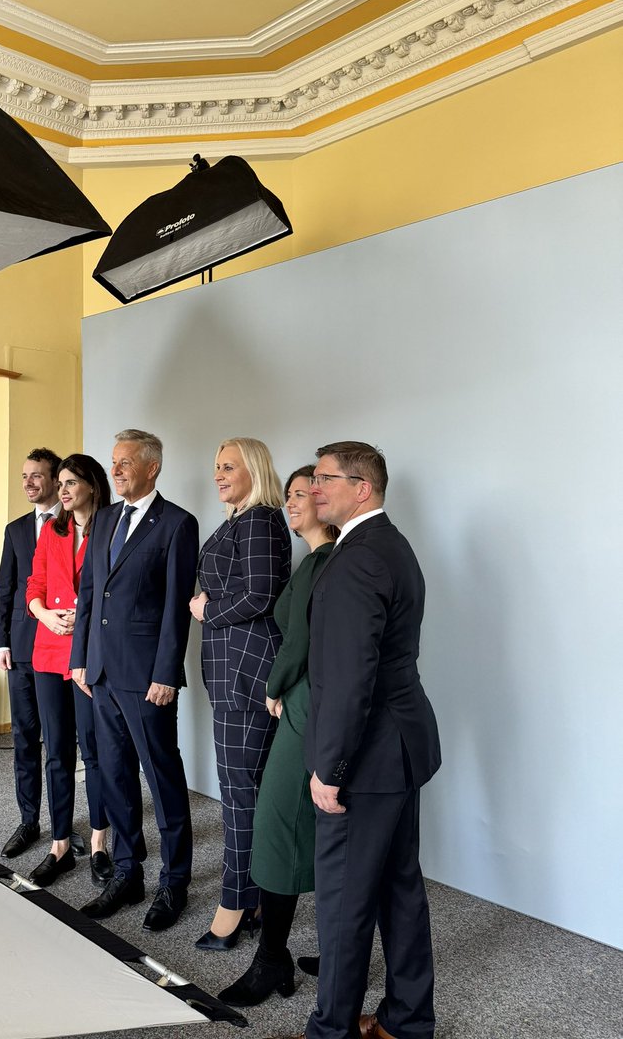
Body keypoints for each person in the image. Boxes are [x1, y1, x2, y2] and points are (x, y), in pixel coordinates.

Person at [303, 442, 441, 1039]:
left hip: (367, 756)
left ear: (363, 488)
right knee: (397, 886)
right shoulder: (389, 545)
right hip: (399, 746)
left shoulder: (359, 556)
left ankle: (330, 1031)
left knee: (343, 901)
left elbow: (351, 676)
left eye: (325, 479)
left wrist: (330, 767)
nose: (312, 489)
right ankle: (407, 1022)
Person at [218, 465, 337, 1006]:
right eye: (286, 495)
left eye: (300, 495)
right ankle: (323, 952)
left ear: (323, 498)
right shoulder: (313, 561)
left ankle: (272, 961)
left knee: (274, 825)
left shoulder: (324, 561)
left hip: (305, 704)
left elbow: (301, 641)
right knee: (311, 829)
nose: (292, 504)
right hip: (302, 701)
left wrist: (274, 683)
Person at [71, 429, 199, 932]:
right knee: (116, 775)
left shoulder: (177, 524)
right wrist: (80, 658)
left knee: (162, 777)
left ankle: (175, 881)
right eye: (114, 462)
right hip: (100, 671)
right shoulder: (103, 519)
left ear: (153, 468)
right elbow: (89, 593)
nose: (117, 469)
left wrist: (167, 672)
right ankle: (127, 871)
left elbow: (176, 608)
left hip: (147, 677)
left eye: (126, 462)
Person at [189, 438, 291, 950]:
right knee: (242, 791)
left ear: (255, 469)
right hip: (235, 674)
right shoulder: (240, 520)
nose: (219, 474)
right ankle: (248, 897)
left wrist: (208, 609)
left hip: (246, 675)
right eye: (216, 466)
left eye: (229, 465)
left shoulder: (258, 520)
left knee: (239, 795)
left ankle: (234, 903)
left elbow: (261, 592)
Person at [25, 454, 112, 888]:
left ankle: (99, 840)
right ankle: (59, 843)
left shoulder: (112, 527)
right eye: (60, 482)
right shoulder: (51, 530)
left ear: (92, 486)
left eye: (72, 481)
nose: (62, 489)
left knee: (93, 750)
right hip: (48, 649)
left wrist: (82, 618)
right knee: (57, 751)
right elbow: (34, 586)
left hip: (90, 652)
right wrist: (43, 614)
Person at [0, 447, 61, 860]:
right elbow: (6, 589)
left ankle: (62, 828)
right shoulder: (16, 529)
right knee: (24, 738)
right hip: (19, 648)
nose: (29, 483)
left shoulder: (76, 525)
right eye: (24, 476)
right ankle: (29, 821)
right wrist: (0, 641)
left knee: (58, 741)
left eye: (37, 476)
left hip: (59, 648)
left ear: (55, 480)